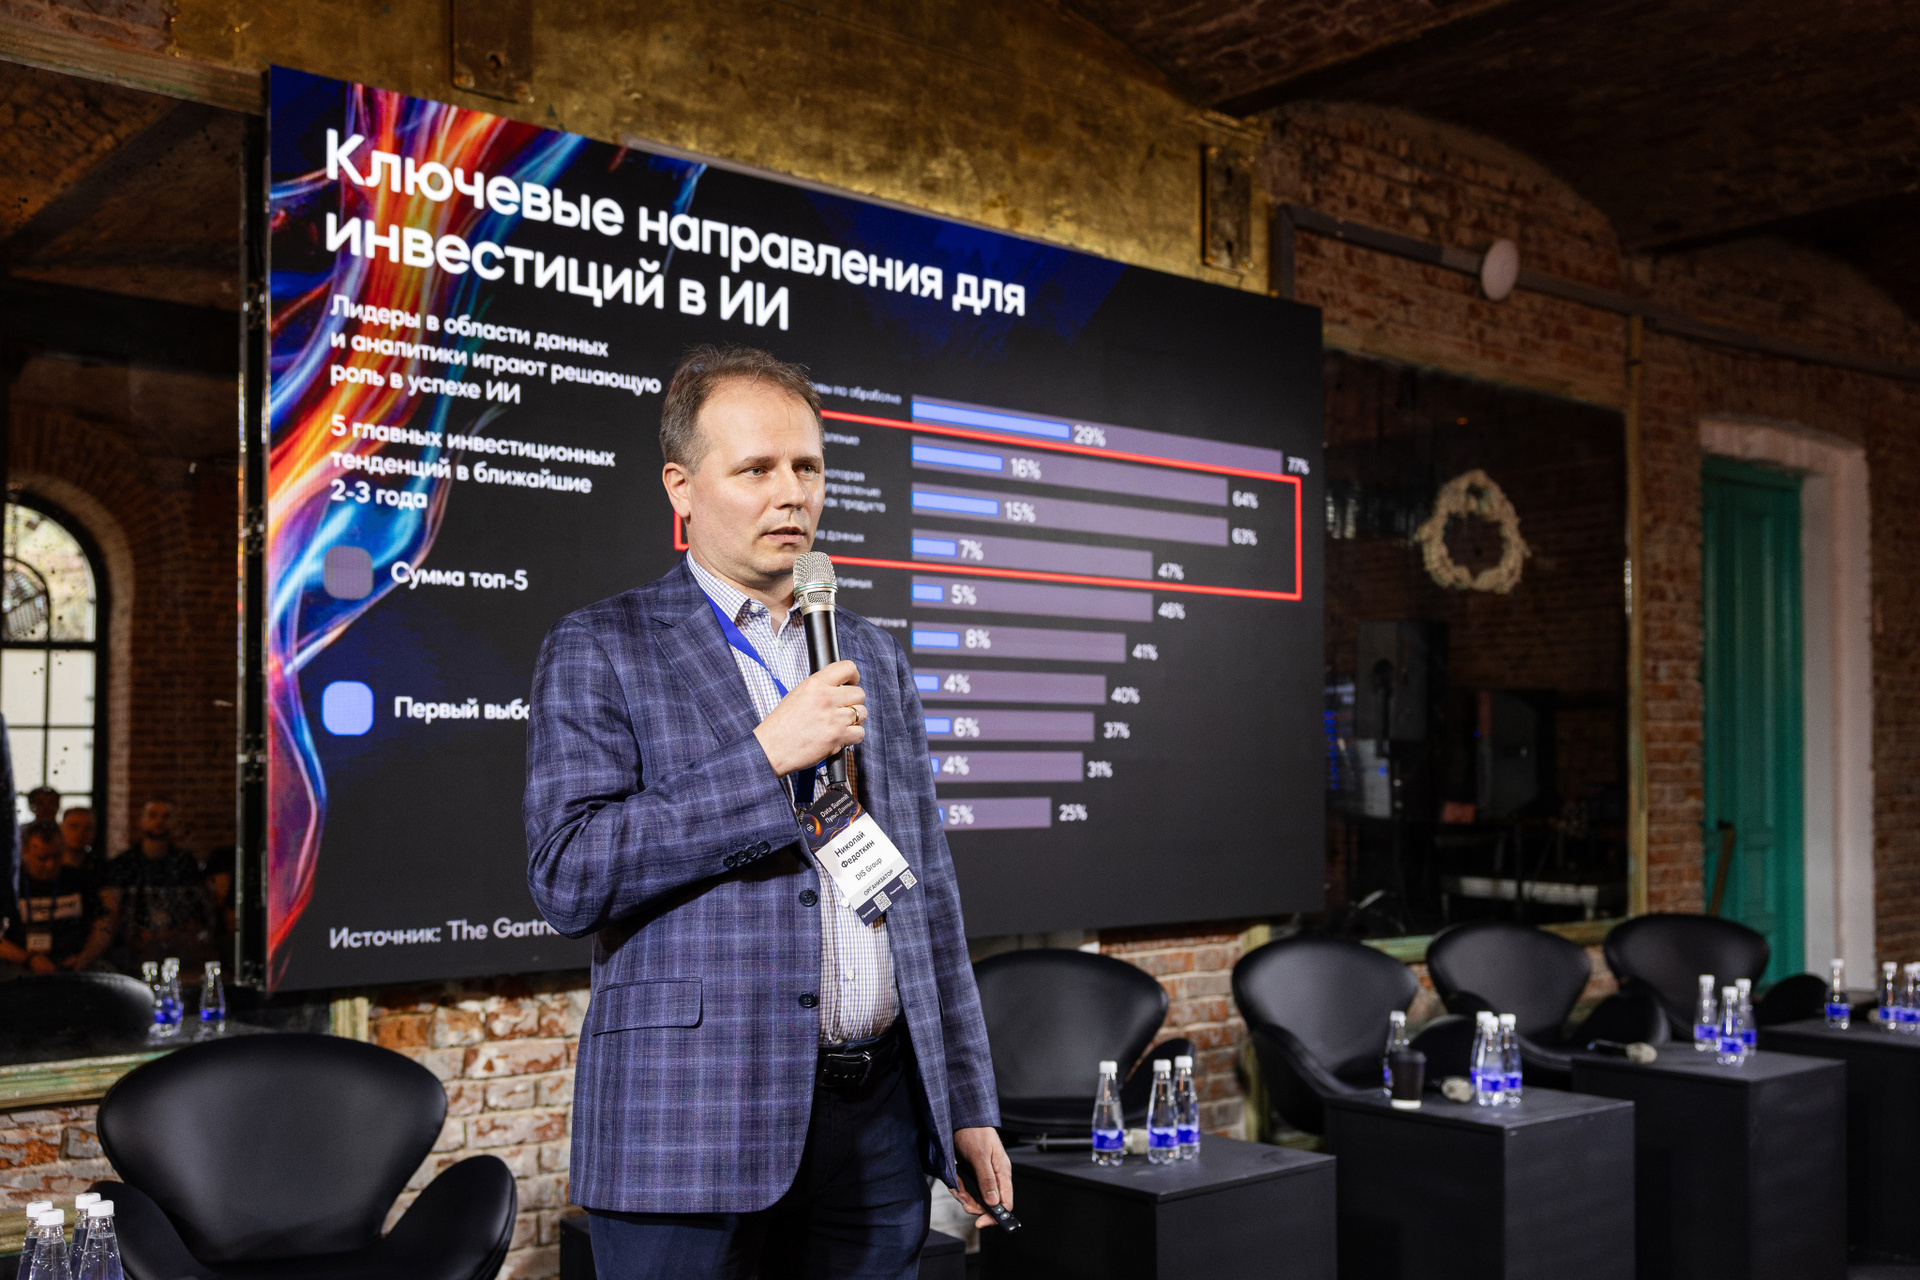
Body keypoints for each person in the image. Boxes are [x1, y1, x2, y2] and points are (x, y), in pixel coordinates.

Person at [525, 346, 1009, 1280]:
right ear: (682, 489)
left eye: (807, 467)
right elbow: (570, 874)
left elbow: (927, 895)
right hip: (689, 1123)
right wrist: (764, 759)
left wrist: (966, 1101)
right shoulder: (602, 646)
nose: (792, 495)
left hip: (875, 1124)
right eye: (756, 469)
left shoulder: (870, 652)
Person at [109, 799, 218, 970]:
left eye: (166, 816)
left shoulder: (185, 863)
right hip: (136, 945)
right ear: (141, 820)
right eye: (153, 816)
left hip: (178, 942)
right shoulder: (124, 863)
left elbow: (200, 908)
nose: (159, 821)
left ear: (174, 822)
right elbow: (116, 912)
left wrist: (180, 932)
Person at [0, 821, 112, 975]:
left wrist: (87, 956)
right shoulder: (10, 885)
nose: (50, 865)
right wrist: (28, 959)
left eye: (57, 856)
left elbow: (103, 924)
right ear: (24, 852)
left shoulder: (78, 879)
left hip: (72, 965)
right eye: (42, 858)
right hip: (20, 965)